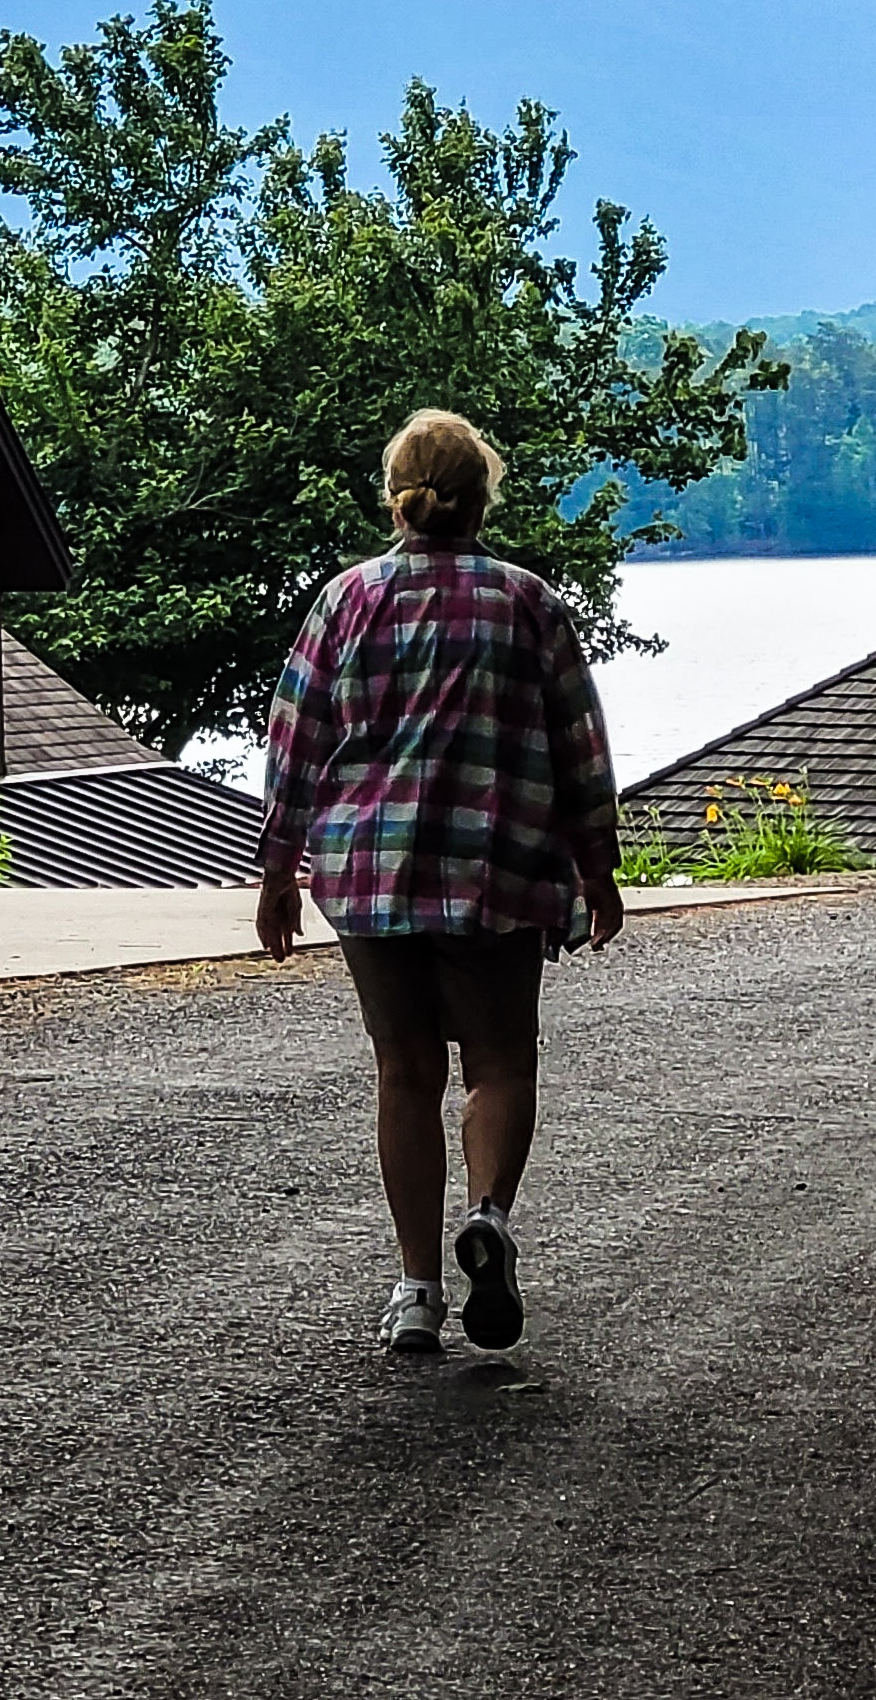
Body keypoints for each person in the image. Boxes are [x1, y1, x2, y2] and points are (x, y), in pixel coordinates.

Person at [257, 408, 626, 1355]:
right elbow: (581, 747)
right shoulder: (529, 603)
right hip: (493, 867)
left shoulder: (346, 602)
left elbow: (296, 743)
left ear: (397, 497)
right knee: (500, 1063)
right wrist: (599, 866)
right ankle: (489, 1218)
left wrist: (277, 870)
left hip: (370, 871)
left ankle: (418, 1288)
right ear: (482, 496)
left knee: (405, 1070)